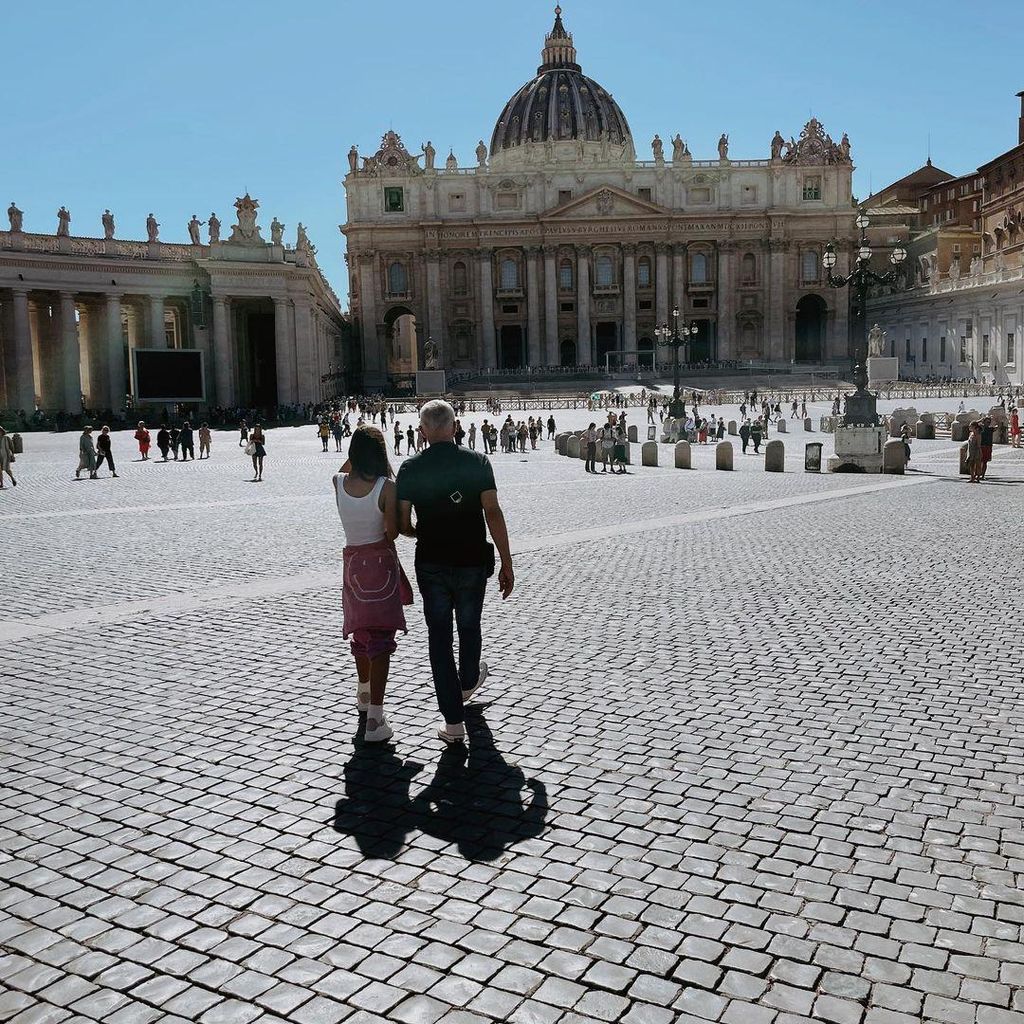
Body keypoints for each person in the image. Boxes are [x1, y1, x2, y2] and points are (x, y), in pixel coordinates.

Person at [397, 400, 514, 744]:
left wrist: (422, 529)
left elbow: (403, 523)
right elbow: (492, 511)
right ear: (455, 426)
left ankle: (452, 723)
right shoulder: (478, 462)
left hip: (432, 562)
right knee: (469, 624)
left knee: (439, 638)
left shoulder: (410, 468)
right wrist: (507, 561)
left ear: (423, 431)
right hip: (472, 561)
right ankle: (465, 684)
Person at [334, 425, 411, 743]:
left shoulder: (337, 482)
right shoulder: (387, 486)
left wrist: (359, 453)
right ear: (380, 453)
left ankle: (363, 696)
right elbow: (392, 533)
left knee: (361, 633)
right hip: (380, 564)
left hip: (352, 564)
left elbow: (344, 468)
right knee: (380, 639)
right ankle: (376, 721)